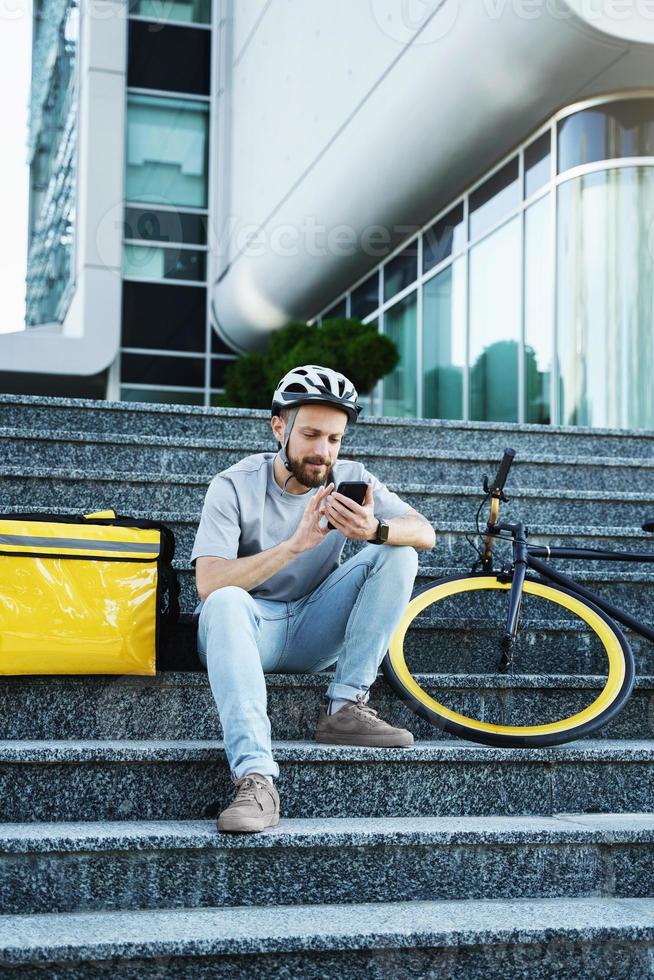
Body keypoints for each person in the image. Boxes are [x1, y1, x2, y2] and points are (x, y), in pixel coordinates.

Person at [191, 364, 436, 833]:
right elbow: (208, 582)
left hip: (310, 628)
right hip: (244, 629)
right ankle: (256, 778)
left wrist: (375, 529)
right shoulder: (233, 485)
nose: (323, 452)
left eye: (334, 438)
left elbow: (425, 531)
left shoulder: (351, 478)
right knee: (224, 601)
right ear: (278, 426)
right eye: (310, 434)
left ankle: (344, 707)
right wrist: (293, 547)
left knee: (399, 553)